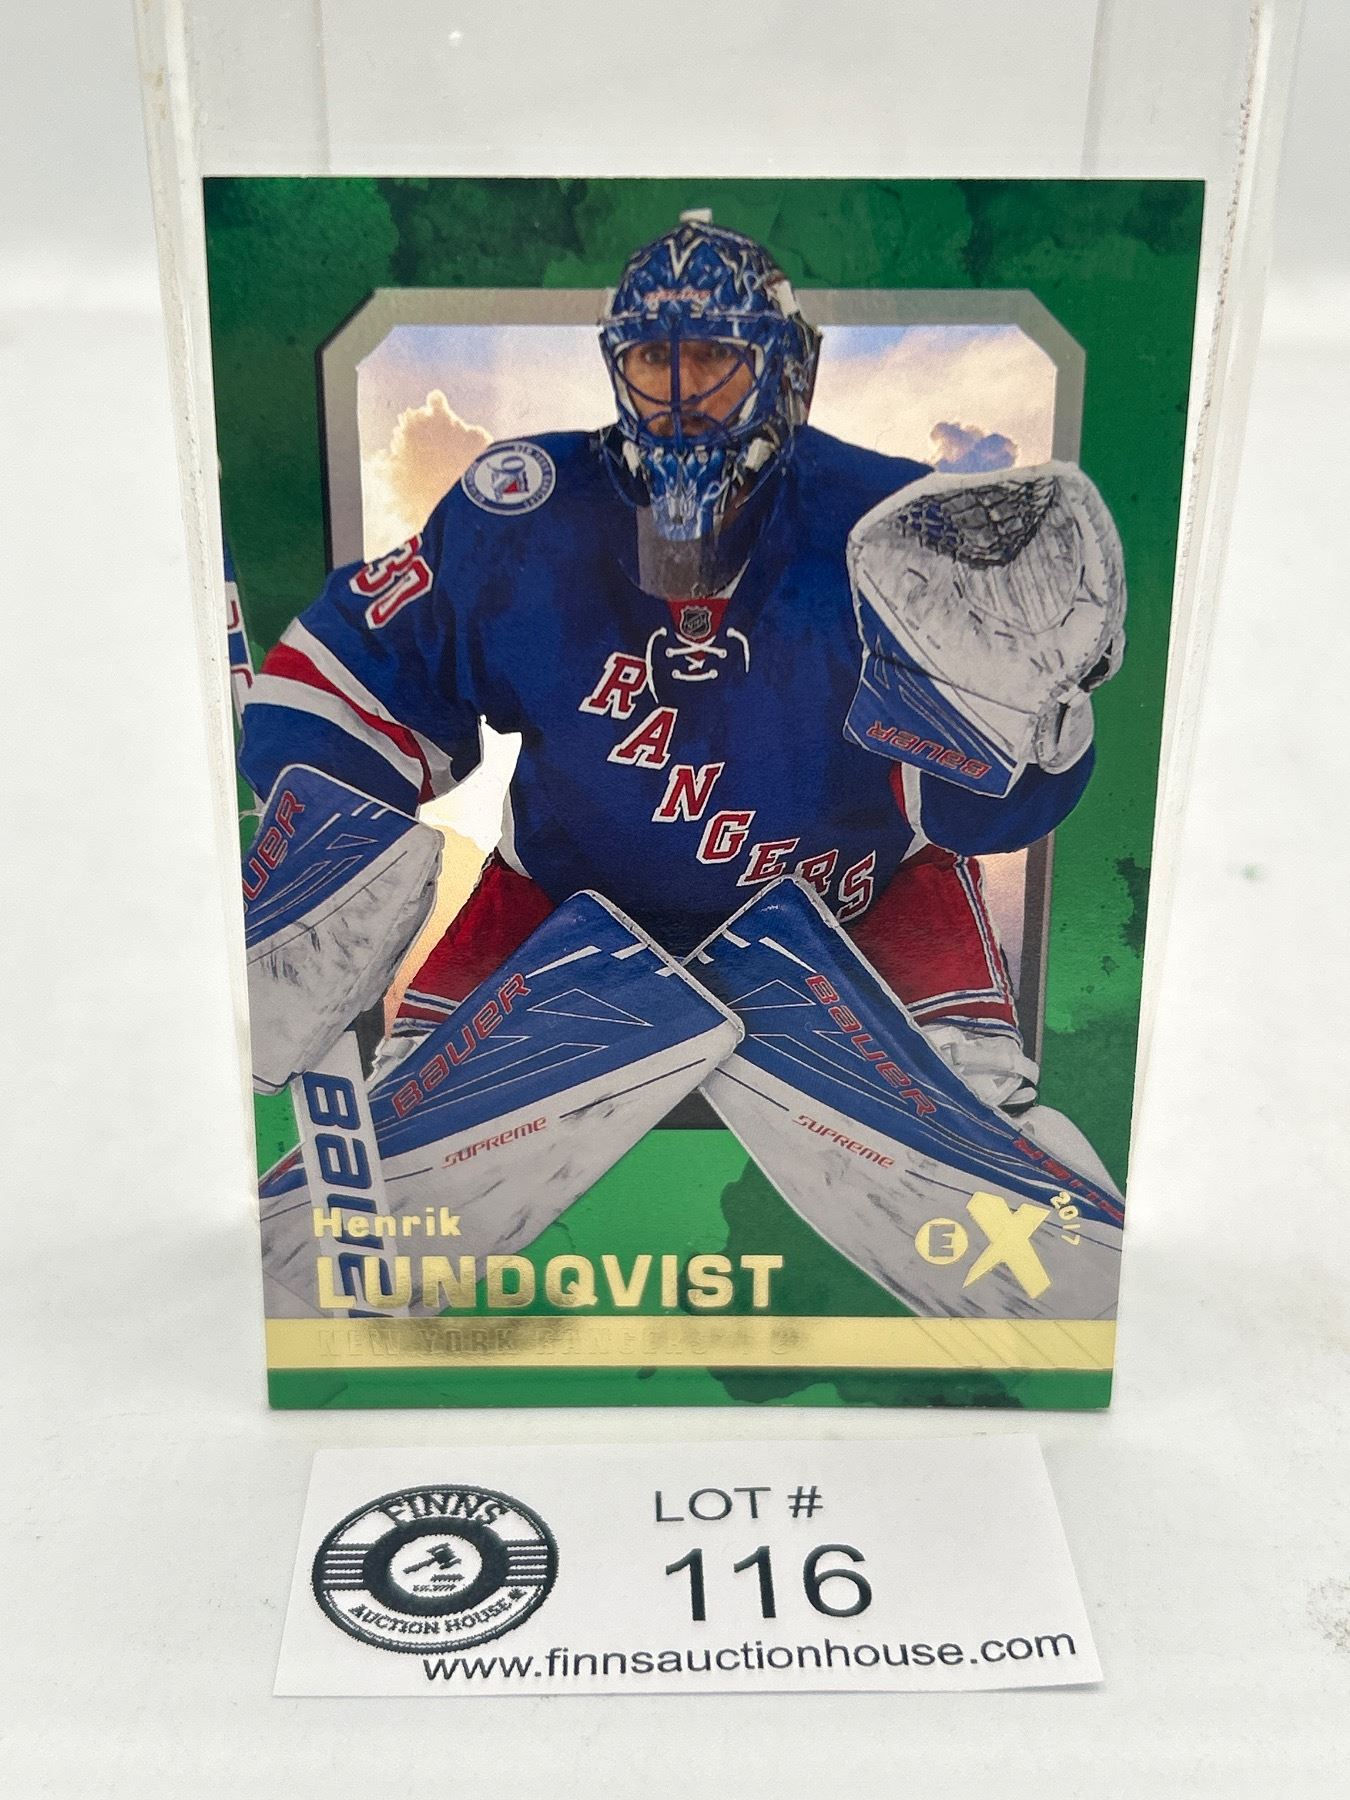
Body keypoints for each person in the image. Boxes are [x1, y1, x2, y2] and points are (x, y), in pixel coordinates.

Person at [239, 215, 1109, 1118]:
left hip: (858, 911)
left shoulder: (896, 527)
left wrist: (1041, 725)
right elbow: (358, 673)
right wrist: (325, 844)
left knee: (978, 1118)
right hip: (569, 906)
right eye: (656, 358)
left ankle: (956, 1089)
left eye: (715, 356)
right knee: (410, 1120)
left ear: (783, 367)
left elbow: (976, 804)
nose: (683, 393)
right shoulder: (526, 512)